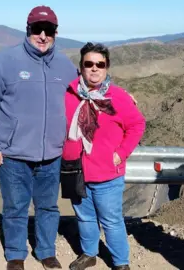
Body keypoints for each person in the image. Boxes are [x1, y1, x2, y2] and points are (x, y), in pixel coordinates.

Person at [0, 5, 78, 270]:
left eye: (49, 30)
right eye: (37, 29)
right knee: (15, 208)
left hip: (52, 154)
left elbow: (86, 93)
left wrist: (119, 96)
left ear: (56, 32)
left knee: (48, 208)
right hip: (13, 154)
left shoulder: (64, 65)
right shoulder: (5, 61)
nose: (43, 35)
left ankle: (46, 251)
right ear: (28, 29)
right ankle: (16, 255)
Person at [62, 42, 146, 270]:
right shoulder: (68, 95)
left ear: (107, 67)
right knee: (85, 218)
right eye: (89, 64)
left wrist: (121, 153)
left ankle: (120, 262)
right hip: (76, 170)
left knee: (111, 221)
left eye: (100, 64)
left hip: (108, 173)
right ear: (81, 67)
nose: (94, 68)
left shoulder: (117, 97)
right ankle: (89, 254)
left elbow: (137, 125)